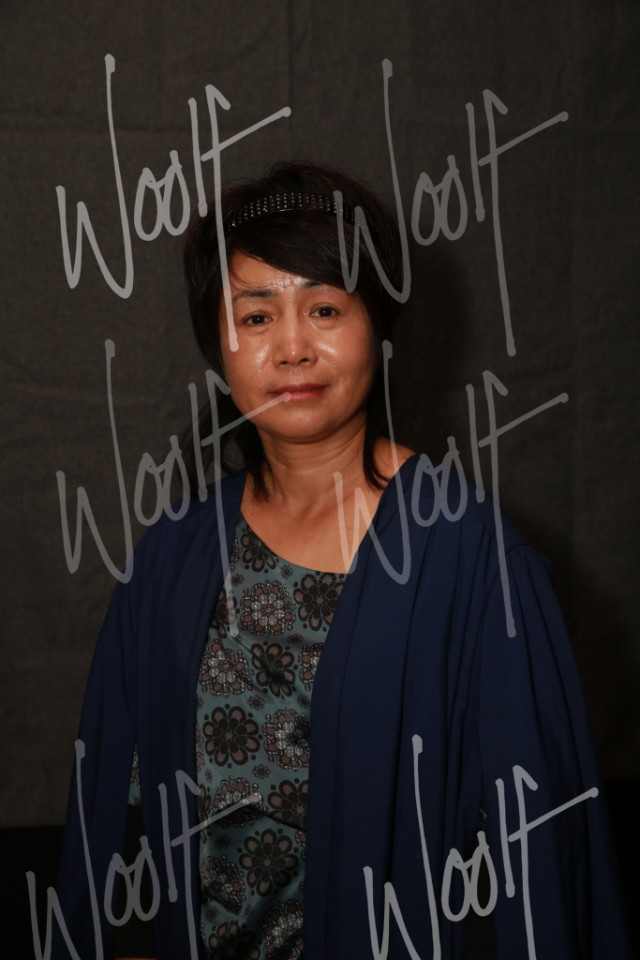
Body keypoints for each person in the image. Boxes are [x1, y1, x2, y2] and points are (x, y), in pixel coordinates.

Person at [53, 161, 631, 960]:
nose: (292, 348)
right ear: (217, 346)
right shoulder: (172, 558)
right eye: (256, 316)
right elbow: (119, 839)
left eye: (325, 308)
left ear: (379, 327)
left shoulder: (472, 561)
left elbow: (539, 865)